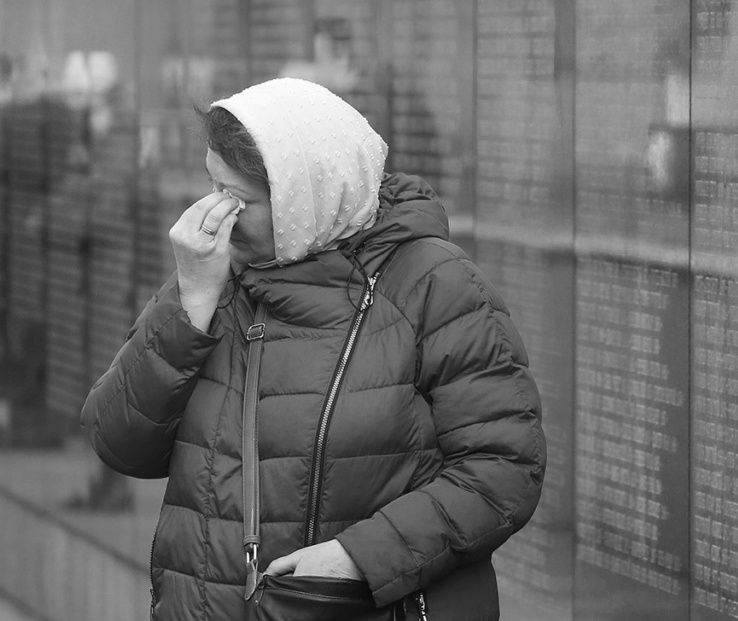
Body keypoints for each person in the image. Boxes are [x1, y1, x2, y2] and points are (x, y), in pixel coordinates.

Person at [80, 77, 546, 621]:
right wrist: (190, 306)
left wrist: (360, 557)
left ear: (306, 197)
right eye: (213, 184)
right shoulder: (214, 275)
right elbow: (118, 441)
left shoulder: (435, 286)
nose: (215, 211)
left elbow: (503, 470)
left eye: (239, 198)